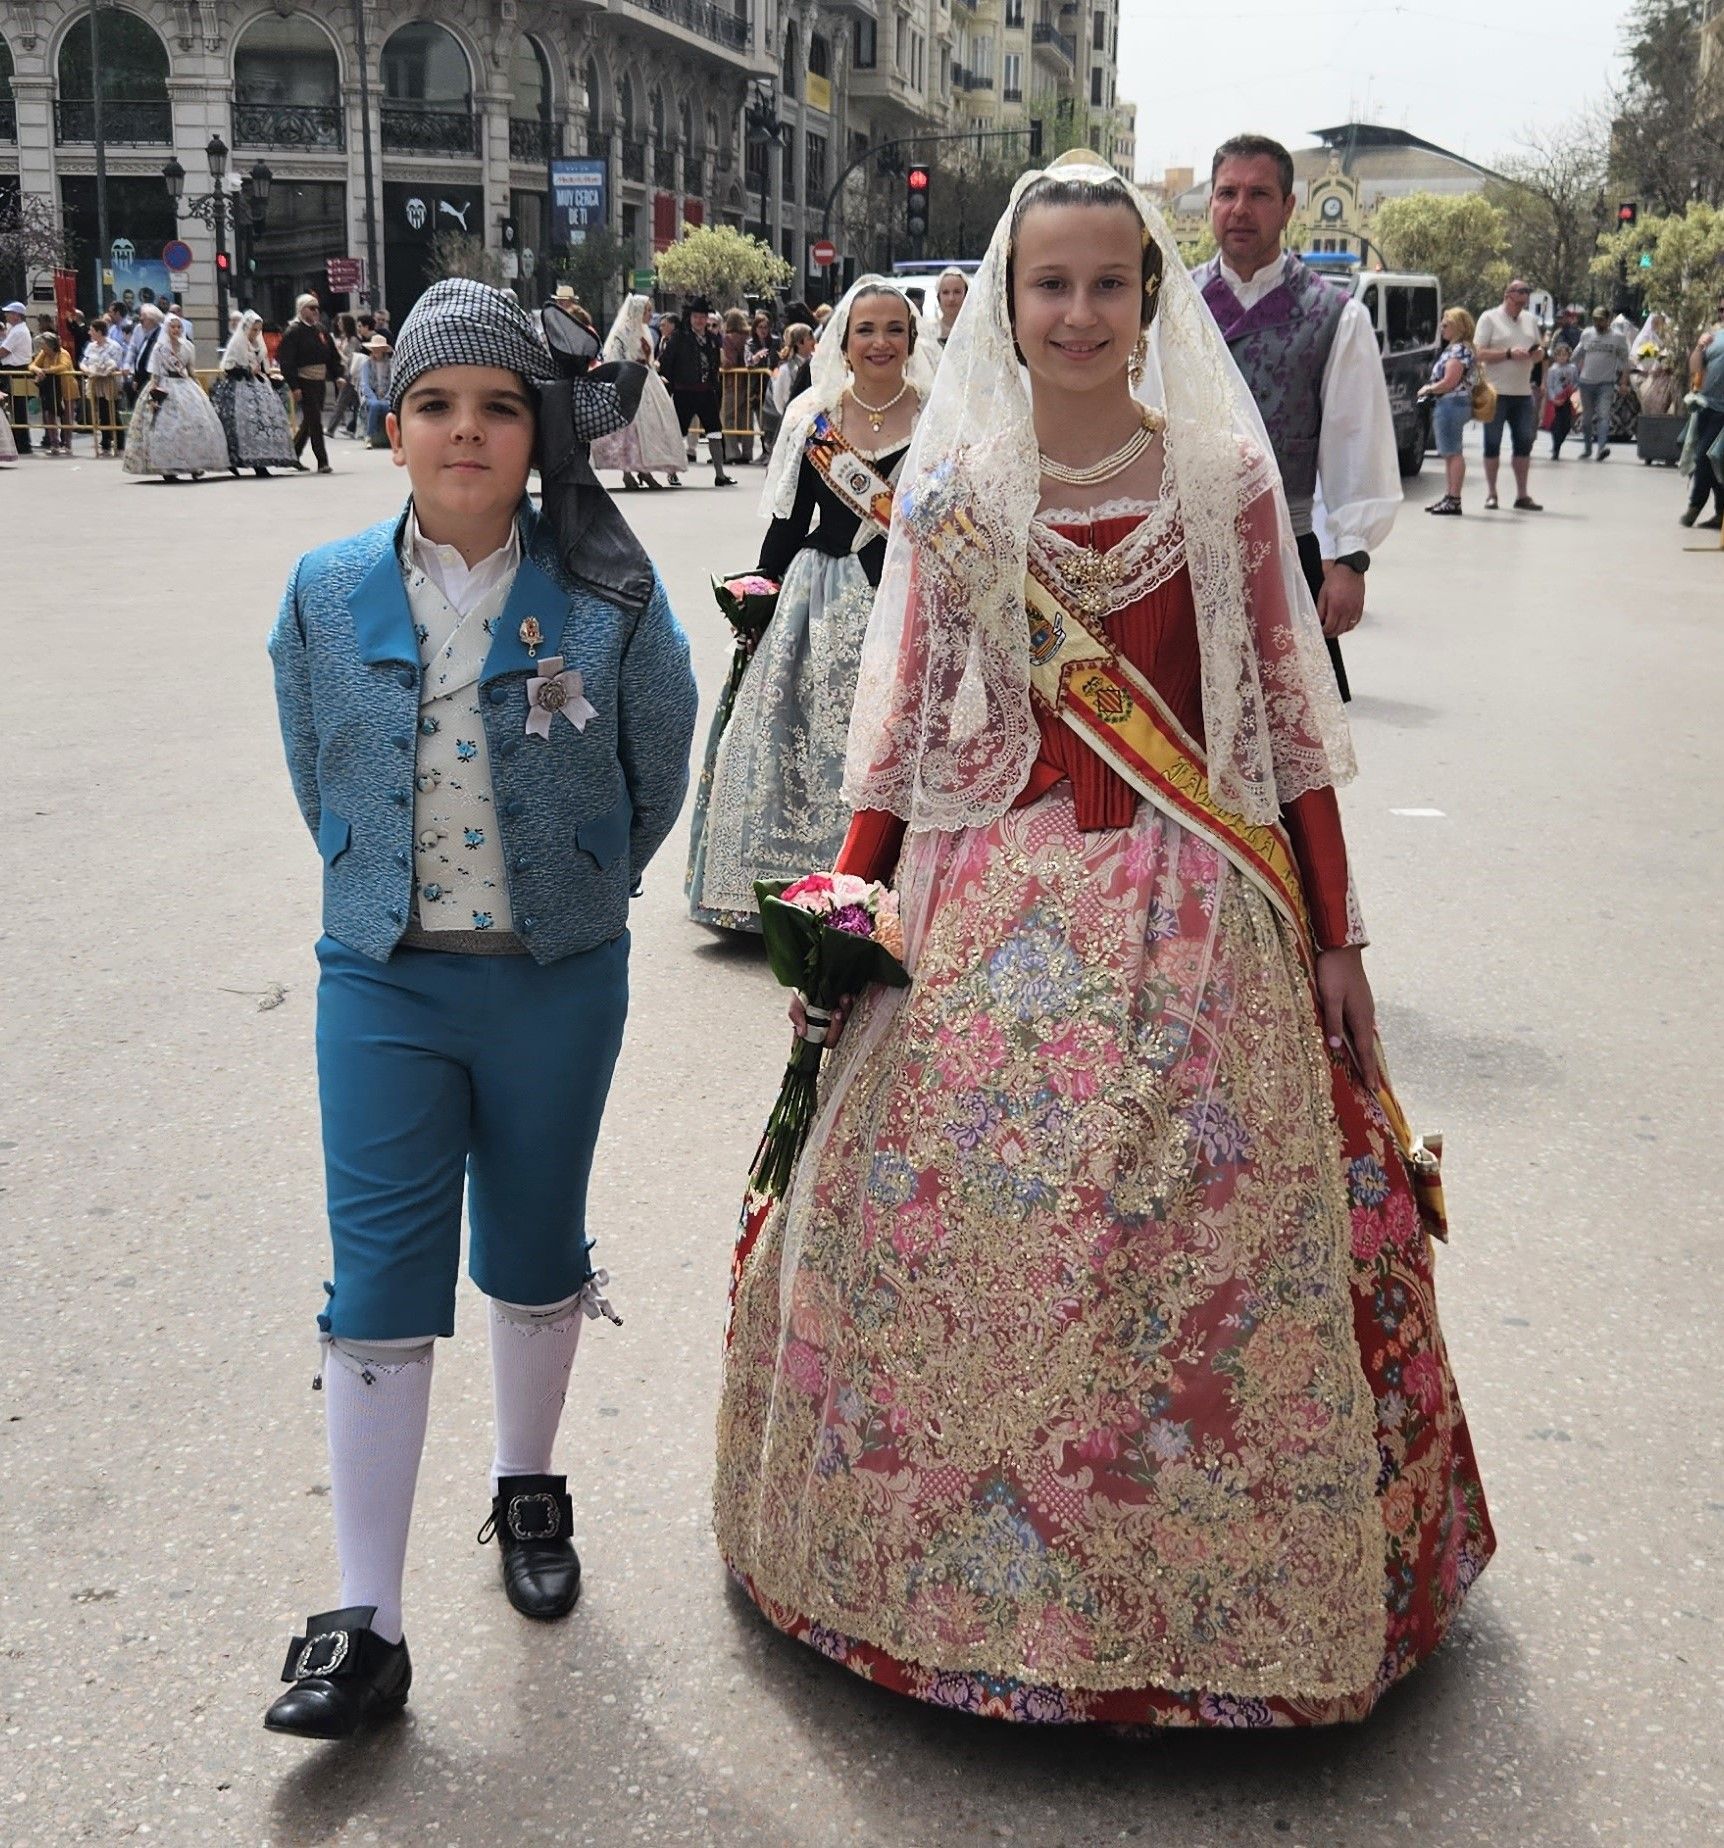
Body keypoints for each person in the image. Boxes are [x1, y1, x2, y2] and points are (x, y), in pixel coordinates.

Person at [713, 150, 1494, 1730]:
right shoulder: (955, 496)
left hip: (1193, 917)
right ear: (1006, 304)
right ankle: (927, 1585)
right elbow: (907, 741)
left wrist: (1336, 934)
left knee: (1194, 1236)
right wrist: (844, 916)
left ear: (1151, 303)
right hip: (980, 912)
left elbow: (1281, 733)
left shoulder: (1223, 484)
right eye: (1050, 284)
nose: (1079, 311)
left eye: (1109, 283)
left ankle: (1229, 1612)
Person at [262, 278, 698, 1741]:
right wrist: (363, 870)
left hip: (556, 981)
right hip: (380, 980)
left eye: (500, 407)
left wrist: (584, 884)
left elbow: (659, 759)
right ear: (394, 431)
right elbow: (313, 752)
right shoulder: (327, 589)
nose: (467, 430)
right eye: (437, 405)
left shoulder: (605, 592)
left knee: (532, 1239)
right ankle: (365, 1624)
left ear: (539, 435)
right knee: (377, 1276)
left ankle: (527, 1482)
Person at [684, 277, 933, 929]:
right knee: (798, 741)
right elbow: (787, 522)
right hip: (818, 600)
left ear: (911, 340)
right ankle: (783, 888)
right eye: (866, 331)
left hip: (902, 602)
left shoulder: (939, 417)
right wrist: (758, 597)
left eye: (894, 329)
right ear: (843, 343)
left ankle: (880, 882)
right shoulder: (811, 418)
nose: (880, 342)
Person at [1194, 134, 1400, 702]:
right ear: (1211, 203)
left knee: (1294, 746)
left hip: (1287, 552)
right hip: (1185, 555)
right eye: (1227, 192)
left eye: (1259, 194)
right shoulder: (1173, 308)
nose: (1240, 208)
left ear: (1288, 208)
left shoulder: (1335, 316)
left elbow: (1354, 444)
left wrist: (1350, 560)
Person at [589, 293, 686, 490]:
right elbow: (615, 358)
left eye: (650, 310)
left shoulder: (646, 332)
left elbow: (649, 359)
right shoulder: (622, 333)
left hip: (647, 381)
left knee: (649, 427)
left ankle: (644, 470)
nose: (651, 315)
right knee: (629, 428)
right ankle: (627, 472)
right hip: (630, 380)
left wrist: (651, 363)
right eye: (647, 310)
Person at [122, 313, 228, 481]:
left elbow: (191, 370)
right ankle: (168, 469)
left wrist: (199, 390)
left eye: (179, 327)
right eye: (173, 327)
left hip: (185, 386)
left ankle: (195, 464)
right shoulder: (159, 348)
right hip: (165, 386)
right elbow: (155, 374)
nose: (176, 330)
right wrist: (154, 395)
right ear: (167, 328)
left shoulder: (188, 347)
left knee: (194, 425)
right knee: (167, 429)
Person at [1474, 279, 1544, 510]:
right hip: (1495, 392)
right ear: (1508, 294)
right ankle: (1492, 493)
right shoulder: (1489, 318)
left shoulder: (1530, 320)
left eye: (1527, 293)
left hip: (1523, 393)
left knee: (1524, 442)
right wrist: (1507, 353)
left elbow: (1539, 348)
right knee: (1492, 443)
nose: (1524, 297)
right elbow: (1478, 353)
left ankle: (1522, 495)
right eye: (1521, 292)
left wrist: (1537, 355)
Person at [210, 309, 298, 477]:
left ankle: (261, 460)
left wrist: (270, 377)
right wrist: (246, 370)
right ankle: (236, 460)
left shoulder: (259, 345)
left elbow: (263, 365)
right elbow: (229, 367)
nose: (256, 333)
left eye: (258, 330)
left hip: (260, 386)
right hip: (239, 388)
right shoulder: (237, 344)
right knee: (240, 424)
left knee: (264, 422)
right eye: (253, 329)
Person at [659, 301, 737, 484]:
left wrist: (715, 386)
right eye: (696, 317)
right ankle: (672, 472)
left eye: (703, 317)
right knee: (678, 434)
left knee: (715, 432)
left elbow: (716, 363)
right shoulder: (679, 337)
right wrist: (668, 385)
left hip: (706, 392)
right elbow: (667, 363)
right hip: (684, 392)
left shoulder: (711, 338)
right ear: (690, 318)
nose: (700, 320)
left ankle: (720, 474)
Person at [1417, 306, 1477, 514]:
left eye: (1446, 324)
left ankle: (1454, 498)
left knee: (1453, 452)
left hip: (1451, 403)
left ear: (1458, 327)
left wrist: (1429, 388)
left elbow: (1450, 380)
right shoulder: (1458, 348)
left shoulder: (1458, 350)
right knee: (1450, 452)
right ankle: (1450, 496)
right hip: (1453, 403)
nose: (1441, 328)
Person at [277, 293, 340, 474]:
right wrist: (294, 386)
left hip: (319, 380)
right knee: (315, 422)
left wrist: (337, 375)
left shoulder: (321, 330)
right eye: (311, 308)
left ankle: (293, 454)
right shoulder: (293, 331)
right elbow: (286, 362)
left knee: (310, 421)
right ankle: (322, 461)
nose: (315, 312)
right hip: (304, 380)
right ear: (301, 310)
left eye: (317, 308)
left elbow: (332, 356)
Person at [1679, 301, 1724, 530]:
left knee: (1705, 456)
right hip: (1706, 405)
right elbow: (1696, 367)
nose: (1722, 314)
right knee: (1711, 459)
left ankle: (1695, 505)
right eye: (1720, 310)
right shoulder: (1715, 337)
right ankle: (1720, 512)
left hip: (1722, 411)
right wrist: (1699, 347)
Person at [1572, 306, 1630, 461]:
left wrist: (1624, 382)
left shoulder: (1618, 338)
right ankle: (1587, 448)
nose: (1598, 323)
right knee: (1587, 418)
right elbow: (1577, 355)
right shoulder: (1587, 334)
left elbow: (1625, 361)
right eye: (1595, 319)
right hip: (1586, 383)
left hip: (1606, 383)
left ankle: (1602, 448)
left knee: (1604, 416)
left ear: (1609, 320)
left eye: (1601, 319)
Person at [760, 321, 814, 463]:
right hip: (792, 420)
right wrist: (789, 415)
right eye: (810, 338)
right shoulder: (786, 369)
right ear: (800, 342)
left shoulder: (815, 364)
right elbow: (779, 398)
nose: (814, 342)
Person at [80, 315, 127, 456]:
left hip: (110, 383)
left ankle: (119, 444)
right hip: (96, 383)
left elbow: (115, 363)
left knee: (112, 412)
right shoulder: (90, 346)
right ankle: (105, 442)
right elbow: (84, 361)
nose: (90, 333)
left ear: (99, 332)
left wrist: (105, 370)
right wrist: (87, 370)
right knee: (102, 413)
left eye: (92, 330)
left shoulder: (114, 346)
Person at [28, 331, 76, 455]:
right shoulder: (44, 353)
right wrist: (38, 370)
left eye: (43, 344)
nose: (41, 347)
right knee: (50, 416)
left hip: (66, 389)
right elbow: (32, 366)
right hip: (50, 390)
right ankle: (54, 444)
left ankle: (67, 444)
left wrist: (46, 371)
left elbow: (63, 367)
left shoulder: (63, 353)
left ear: (50, 345)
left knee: (67, 416)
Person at [3, 300, 35, 455]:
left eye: (9, 313)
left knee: (17, 408)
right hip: (15, 370)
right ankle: (20, 441)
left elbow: (3, 351)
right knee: (16, 407)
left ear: (17, 315)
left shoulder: (18, 331)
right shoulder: (16, 329)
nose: (6, 316)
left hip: (15, 370)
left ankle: (22, 443)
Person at [356, 333, 394, 448]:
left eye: (378, 348)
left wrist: (387, 397)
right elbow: (364, 384)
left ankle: (394, 437)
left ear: (383, 350)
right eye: (374, 348)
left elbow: (393, 383)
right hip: (371, 397)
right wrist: (373, 397)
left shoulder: (391, 364)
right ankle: (369, 436)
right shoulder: (367, 364)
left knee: (392, 407)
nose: (376, 351)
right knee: (374, 405)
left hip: (387, 397)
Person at [1544, 343, 1579, 459]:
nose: (1562, 357)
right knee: (1557, 425)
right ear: (1556, 356)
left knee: (1566, 425)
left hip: (1568, 399)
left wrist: (1574, 390)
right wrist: (1553, 399)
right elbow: (1550, 386)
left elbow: (1576, 382)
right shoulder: (1552, 370)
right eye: (1560, 355)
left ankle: (1558, 443)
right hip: (1557, 400)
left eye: (1565, 355)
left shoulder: (1573, 368)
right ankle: (1556, 448)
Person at [926, 264, 970, 351]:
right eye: (945, 292)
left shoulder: (977, 329)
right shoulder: (928, 331)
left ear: (966, 296)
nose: (951, 298)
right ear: (938, 297)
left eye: (957, 292)